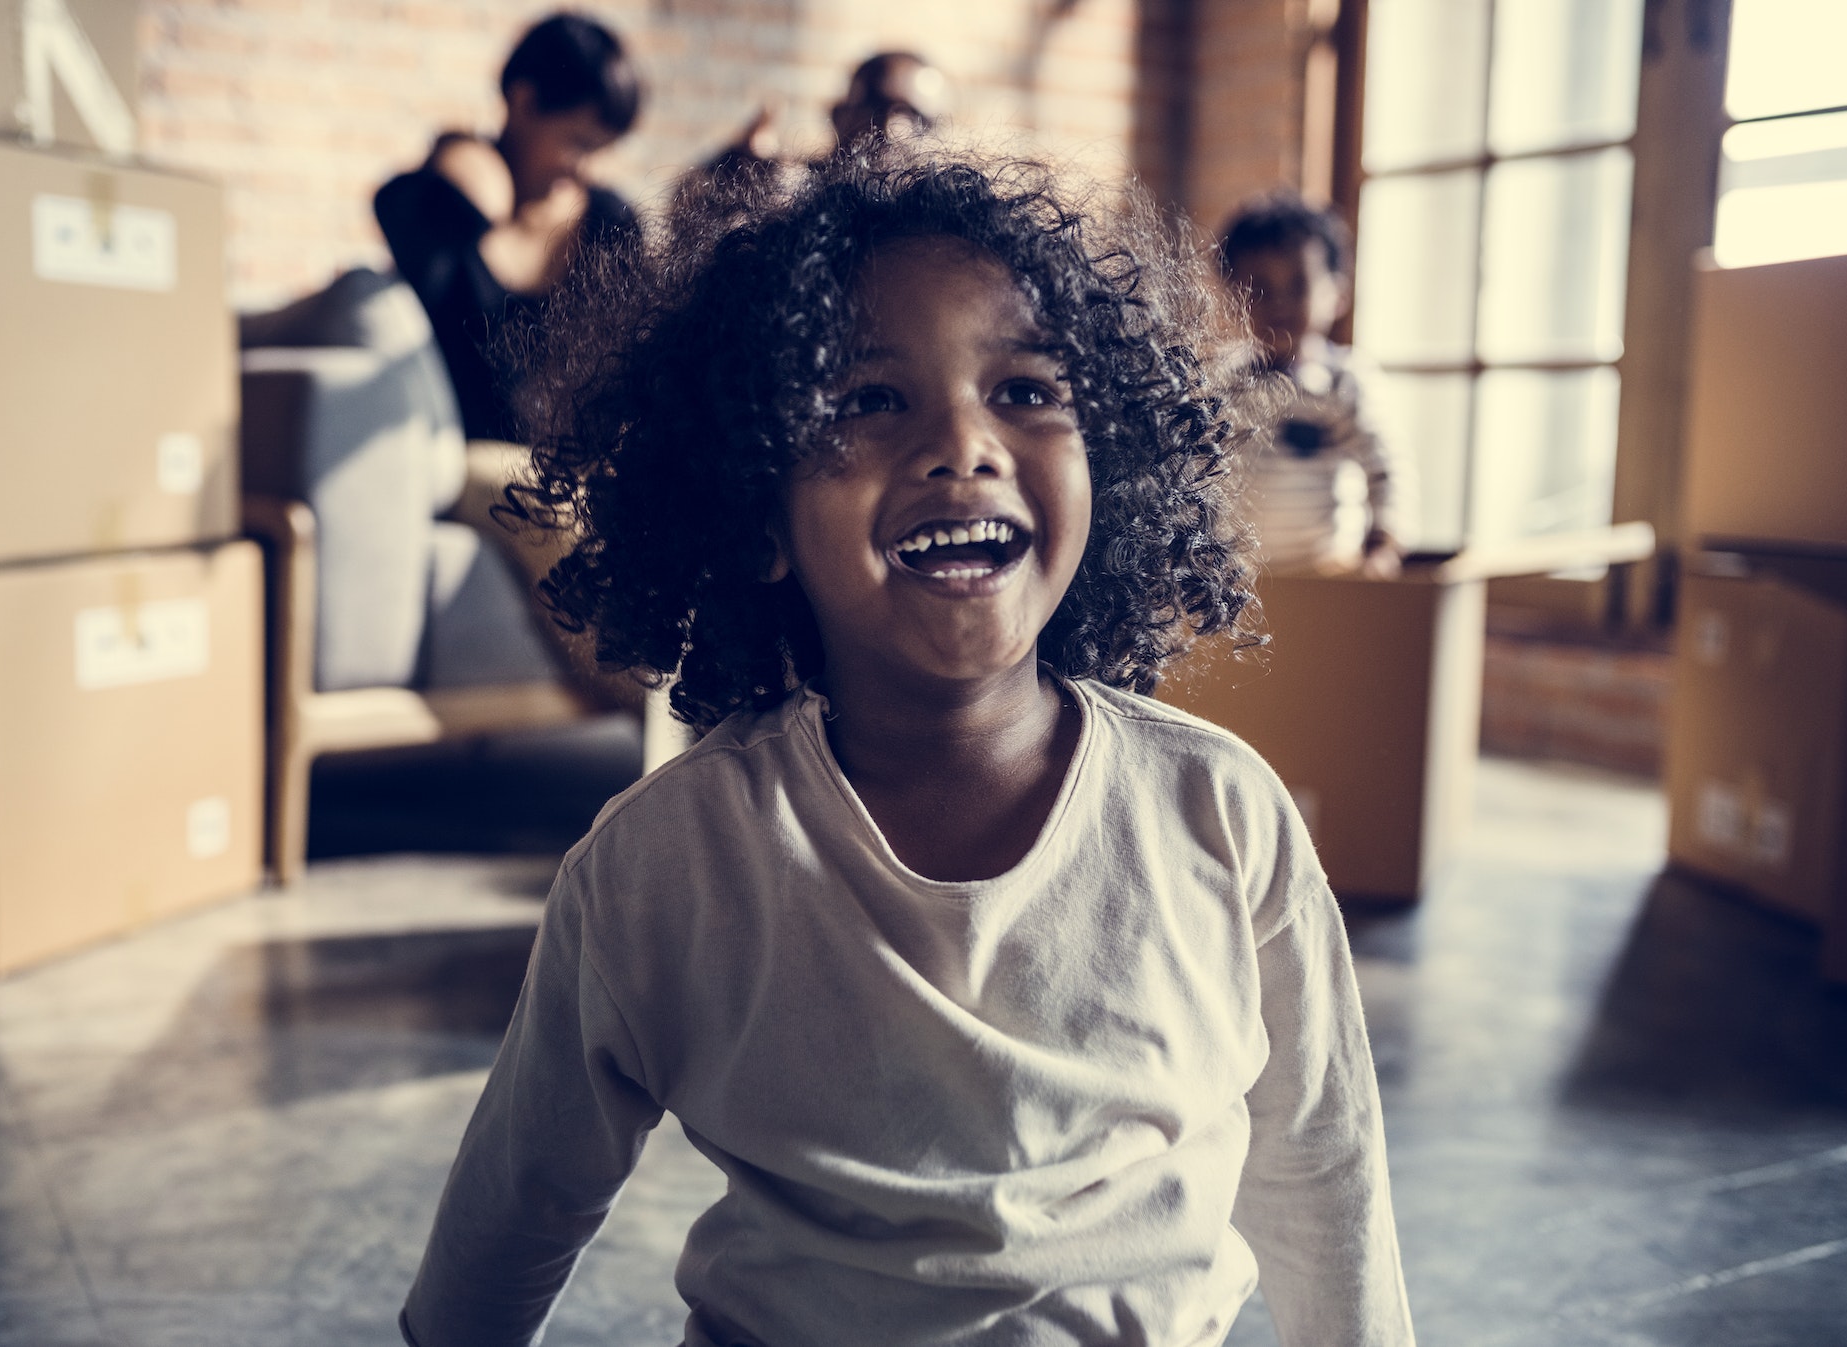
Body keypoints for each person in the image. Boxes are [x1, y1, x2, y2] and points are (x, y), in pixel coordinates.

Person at [400, 150, 1415, 1347]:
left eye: (1027, 389)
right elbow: (517, 1206)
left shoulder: (1218, 813)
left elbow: (1318, 1169)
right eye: (867, 400)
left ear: (1114, 467)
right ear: (753, 511)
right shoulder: (662, 865)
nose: (962, 445)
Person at [375, 11, 642, 442]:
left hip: (569, 469)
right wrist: (462, 161)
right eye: (578, 143)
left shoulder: (611, 224)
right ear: (523, 102)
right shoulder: (443, 212)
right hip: (464, 463)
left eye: (601, 148)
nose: (587, 169)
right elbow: (395, 210)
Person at [1221, 195, 1405, 578]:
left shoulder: (1343, 382)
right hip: (1240, 582)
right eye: (1259, 289)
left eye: (1298, 285)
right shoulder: (1221, 383)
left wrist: (1382, 546)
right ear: (1232, 296)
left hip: (1327, 576)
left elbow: (1385, 470)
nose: (1279, 303)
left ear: (1338, 295)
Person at [701, 50, 951, 179]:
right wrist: (736, 172)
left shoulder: (947, 230)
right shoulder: (790, 191)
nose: (891, 129)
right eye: (875, 107)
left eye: (915, 118)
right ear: (838, 115)